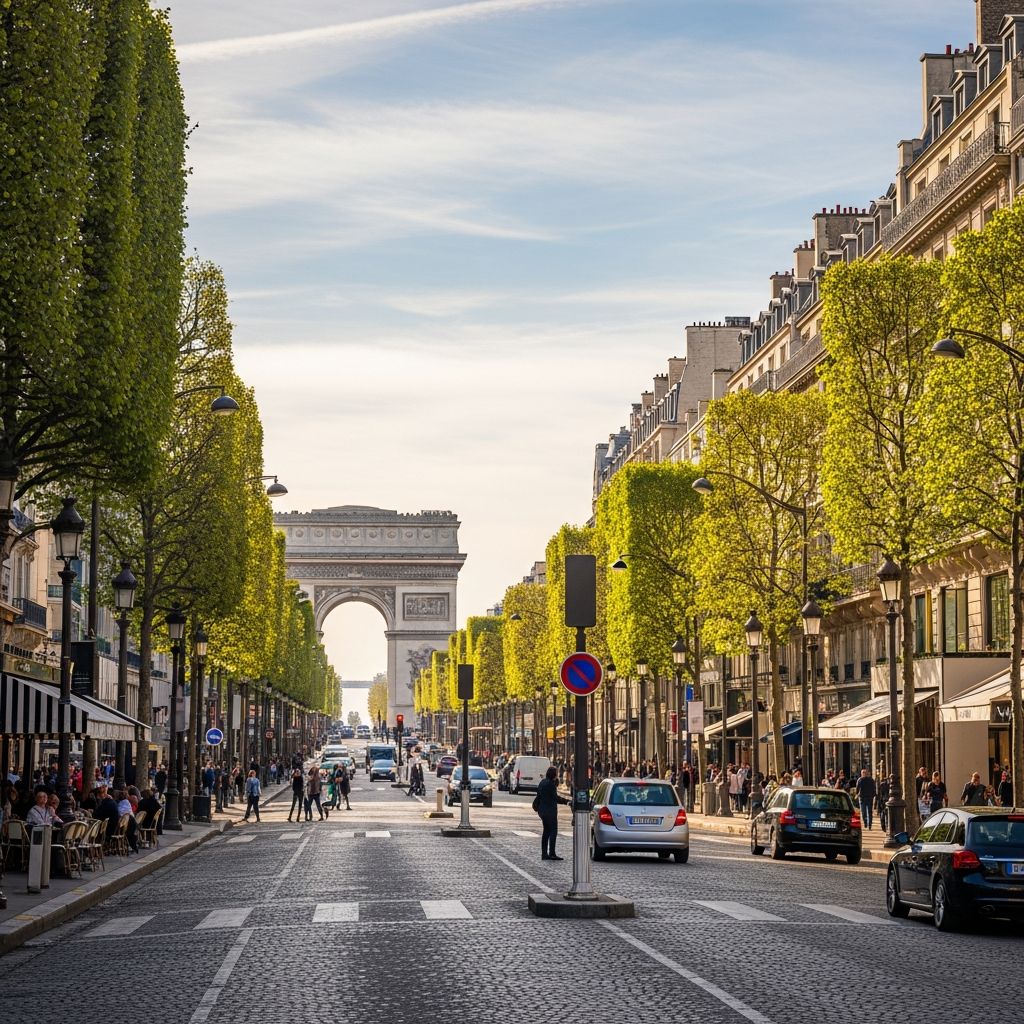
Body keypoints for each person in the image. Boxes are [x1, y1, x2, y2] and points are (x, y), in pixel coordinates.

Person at [534, 765, 569, 861]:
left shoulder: (543, 782)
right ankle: (552, 853)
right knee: (553, 831)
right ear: (554, 775)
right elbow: (555, 798)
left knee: (546, 832)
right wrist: (567, 801)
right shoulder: (550, 785)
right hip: (550, 812)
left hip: (542, 811)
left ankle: (544, 854)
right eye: (556, 774)